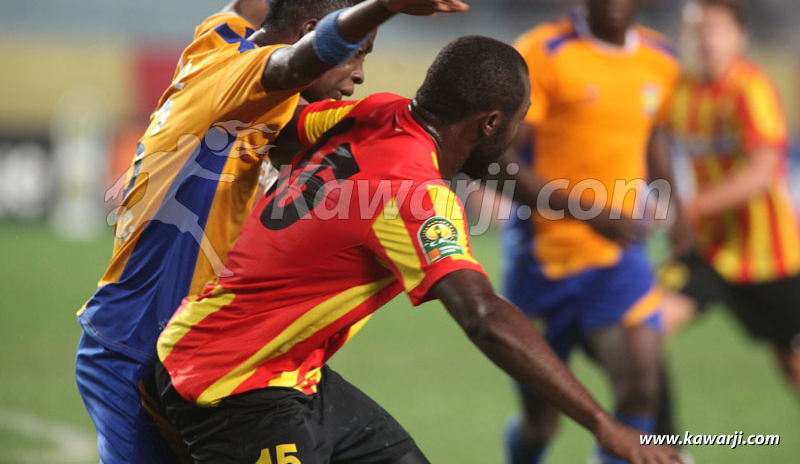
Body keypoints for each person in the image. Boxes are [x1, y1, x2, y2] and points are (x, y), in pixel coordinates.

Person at [154, 35, 681, 464]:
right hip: (230, 383)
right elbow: (484, 316)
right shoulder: (417, 196)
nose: (515, 136)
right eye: (517, 122)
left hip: (289, 371)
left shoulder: (378, 111)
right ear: (489, 124)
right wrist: (603, 423)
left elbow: (285, 131)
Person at [74, 0, 467, 463]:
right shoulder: (247, 78)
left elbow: (250, 5)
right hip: (139, 343)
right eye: (355, 55)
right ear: (311, 34)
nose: (357, 78)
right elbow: (295, 62)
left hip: (188, 345)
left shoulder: (218, 41)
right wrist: (378, 6)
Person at [499, 0, 684, 462]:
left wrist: (677, 208)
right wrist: (588, 212)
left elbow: (653, 134)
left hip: (618, 259)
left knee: (641, 387)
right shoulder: (541, 52)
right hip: (543, 262)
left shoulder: (661, 59)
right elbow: (498, 163)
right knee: (541, 422)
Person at [660, 0, 800, 392]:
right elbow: (650, 144)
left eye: (716, 29)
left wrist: (690, 207)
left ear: (740, 36)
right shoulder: (678, 92)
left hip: (770, 256)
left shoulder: (750, 88)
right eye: (696, 29)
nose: (706, 39)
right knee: (643, 330)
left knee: (792, 363)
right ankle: (660, 435)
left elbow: (762, 172)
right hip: (708, 249)